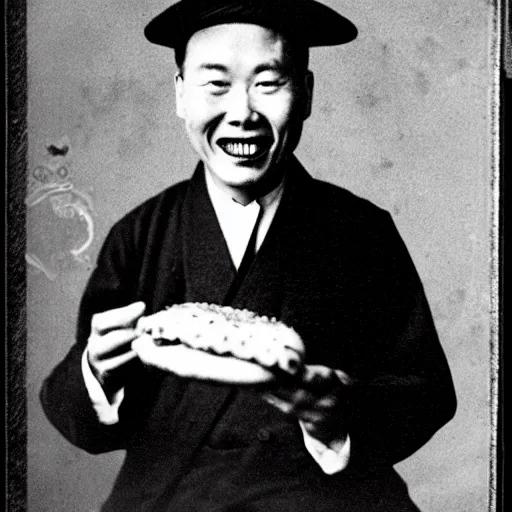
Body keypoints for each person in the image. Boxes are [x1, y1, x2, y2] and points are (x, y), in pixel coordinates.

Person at [40, 1, 457, 511]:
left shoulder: (360, 232)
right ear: (179, 95)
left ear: (305, 92)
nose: (241, 113)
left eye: (268, 82)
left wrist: (339, 412)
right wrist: (97, 370)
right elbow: (79, 416)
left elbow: (426, 391)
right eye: (215, 84)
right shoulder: (141, 234)